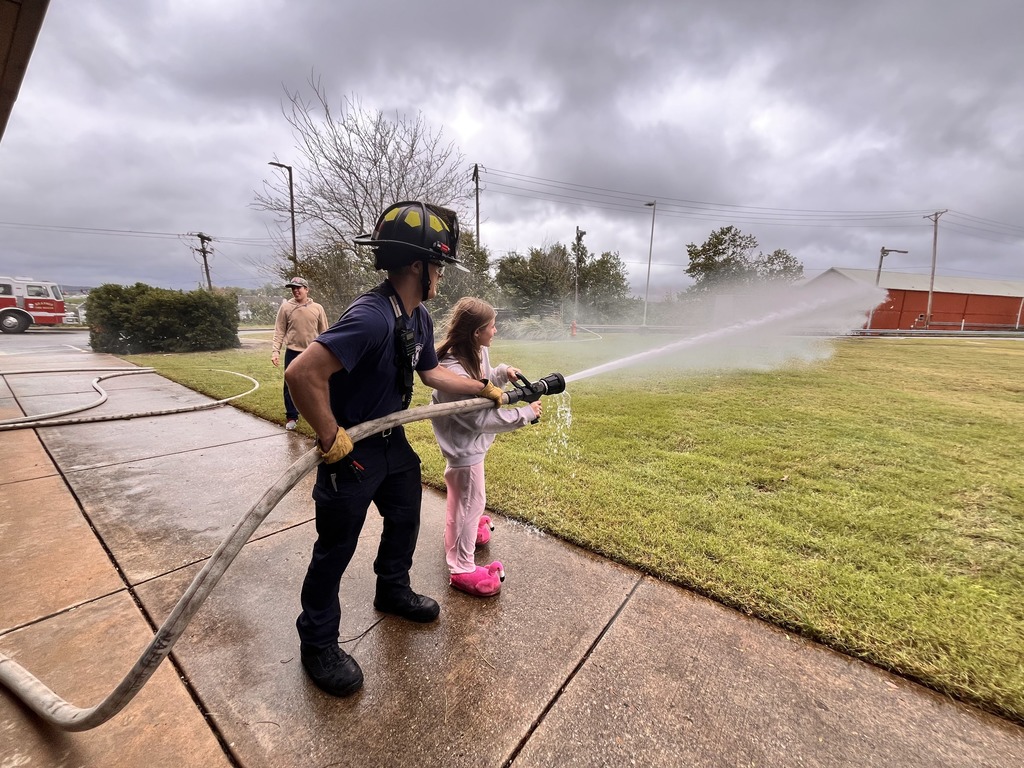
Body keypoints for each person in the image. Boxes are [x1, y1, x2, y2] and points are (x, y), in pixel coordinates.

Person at [284, 201, 505, 698]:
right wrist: (329, 436)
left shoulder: (418, 317)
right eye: (439, 266)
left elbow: (429, 373)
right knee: (335, 549)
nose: (441, 277)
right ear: (416, 266)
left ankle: (393, 590)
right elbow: (302, 373)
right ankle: (317, 641)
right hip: (352, 450)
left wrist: (481, 386)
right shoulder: (371, 318)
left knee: (405, 517)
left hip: (392, 443)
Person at [430, 298, 540, 597]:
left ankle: (461, 539)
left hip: (468, 448)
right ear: (476, 331)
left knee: (464, 504)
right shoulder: (451, 370)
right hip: (464, 450)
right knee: (470, 504)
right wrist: (525, 415)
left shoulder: (477, 350)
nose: (495, 330)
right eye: (491, 325)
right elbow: (480, 417)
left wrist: (503, 372)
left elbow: (483, 380)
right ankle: (462, 568)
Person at [270, 277, 329, 430]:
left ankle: (314, 412)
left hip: (312, 352)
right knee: (289, 384)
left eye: (299, 287)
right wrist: (275, 351)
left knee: (314, 383)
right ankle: (292, 416)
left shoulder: (317, 308)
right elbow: (279, 331)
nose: (296, 290)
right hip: (292, 352)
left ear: (306, 289)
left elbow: (325, 331)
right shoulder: (286, 307)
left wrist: (327, 351)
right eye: (293, 288)